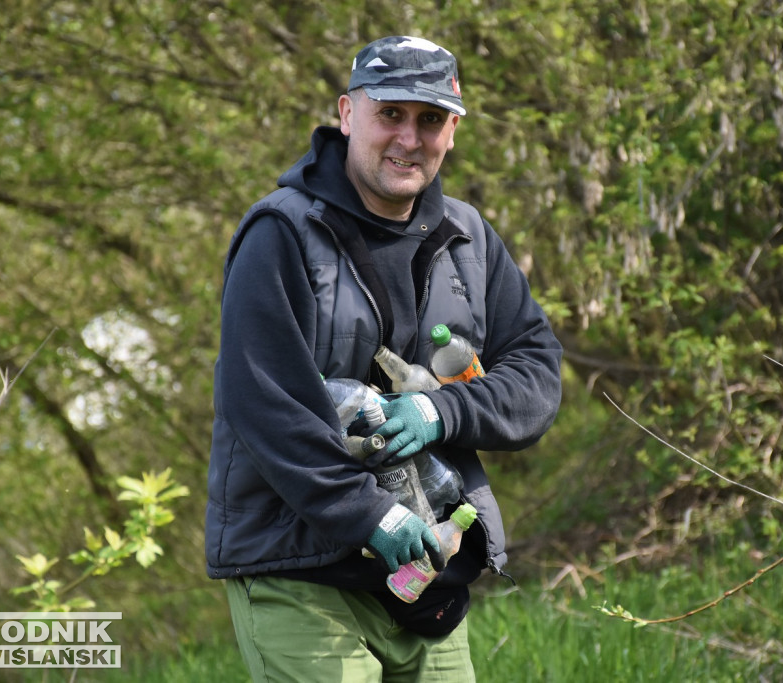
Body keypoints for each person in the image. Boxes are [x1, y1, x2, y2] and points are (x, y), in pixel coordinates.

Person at [205, 35, 562, 682]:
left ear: (452, 130)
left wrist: (441, 408)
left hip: (430, 586)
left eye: (429, 120)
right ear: (347, 115)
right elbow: (264, 407)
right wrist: (373, 515)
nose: (409, 137)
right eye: (390, 113)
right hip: (300, 571)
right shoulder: (279, 234)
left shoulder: (469, 238)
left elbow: (537, 373)